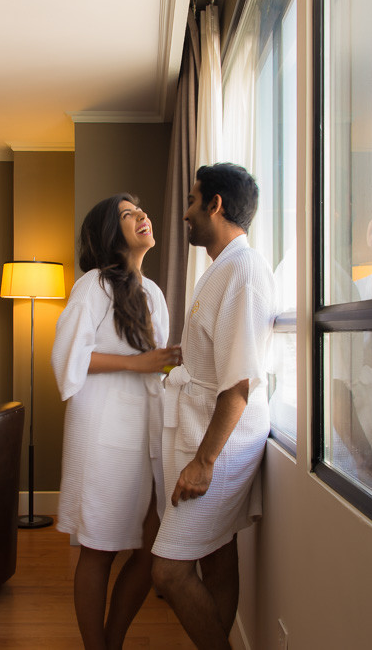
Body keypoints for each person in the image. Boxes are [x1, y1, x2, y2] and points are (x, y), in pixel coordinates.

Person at [151, 163, 276, 649]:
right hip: (204, 428)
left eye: (191, 200)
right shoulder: (222, 268)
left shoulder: (243, 271)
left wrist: (204, 462)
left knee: (168, 572)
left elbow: (240, 382)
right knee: (218, 555)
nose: (185, 213)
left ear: (215, 204)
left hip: (220, 445)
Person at [51, 194, 182, 650]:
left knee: (152, 551)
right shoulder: (94, 285)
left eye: (141, 210)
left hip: (147, 431)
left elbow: (156, 363)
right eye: (128, 214)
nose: (142, 216)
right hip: (103, 430)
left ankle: (112, 642)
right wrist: (139, 363)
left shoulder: (155, 294)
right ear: (109, 234)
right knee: (99, 549)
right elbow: (70, 355)